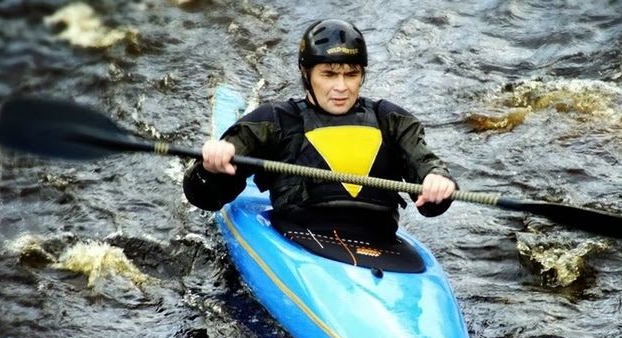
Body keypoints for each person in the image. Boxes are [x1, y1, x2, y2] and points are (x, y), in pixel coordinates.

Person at [183, 19, 456, 244]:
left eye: (351, 75)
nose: (342, 87)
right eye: (329, 74)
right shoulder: (275, 120)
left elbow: (427, 175)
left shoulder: (391, 120)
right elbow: (205, 198)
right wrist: (211, 168)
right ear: (306, 74)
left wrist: (438, 182)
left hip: (379, 244)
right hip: (296, 240)